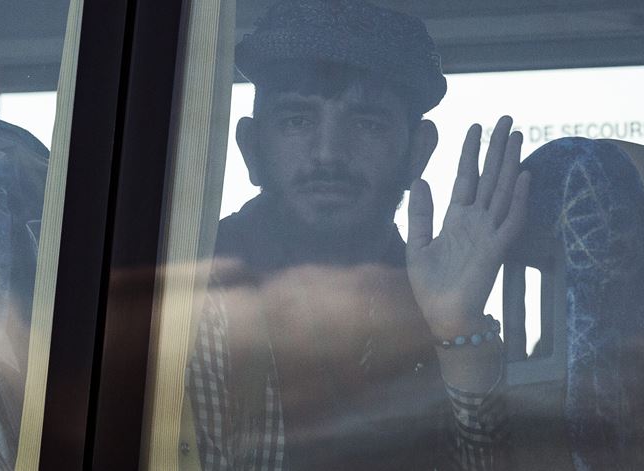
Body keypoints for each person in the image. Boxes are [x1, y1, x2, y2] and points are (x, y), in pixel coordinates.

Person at [186, 1, 528, 469]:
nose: (329, 153)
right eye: (297, 121)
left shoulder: (436, 298)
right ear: (251, 148)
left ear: (418, 152)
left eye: (367, 124)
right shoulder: (192, 293)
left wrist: (457, 328)